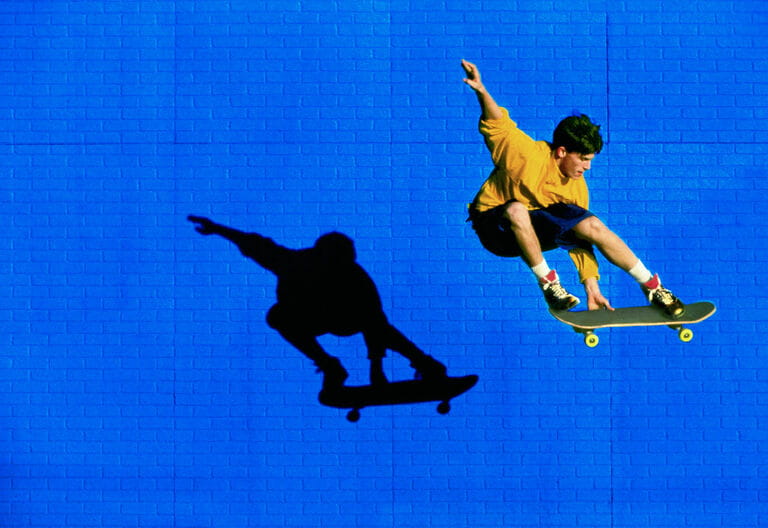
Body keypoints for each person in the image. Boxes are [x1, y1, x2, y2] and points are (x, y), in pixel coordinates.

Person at [461, 59, 684, 316]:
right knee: (517, 210)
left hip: (534, 231)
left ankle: (652, 287)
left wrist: (592, 286)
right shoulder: (524, 154)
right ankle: (549, 285)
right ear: (562, 151)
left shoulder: (575, 187)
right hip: (494, 229)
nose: (587, 168)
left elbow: (579, 241)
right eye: (584, 159)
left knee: (590, 226)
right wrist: (482, 90)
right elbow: (497, 125)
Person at [188, 215, 448, 389]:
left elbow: (375, 322)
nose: (344, 265)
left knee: (376, 323)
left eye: (347, 260)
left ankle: (425, 363)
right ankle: (330, 366)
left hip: (347, 318)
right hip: (312, 316)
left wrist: (376, 369)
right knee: (277, 316)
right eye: (340, 260)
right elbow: (254, 244)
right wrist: (216, 229)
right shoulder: (295, 263)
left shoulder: (354, 275)